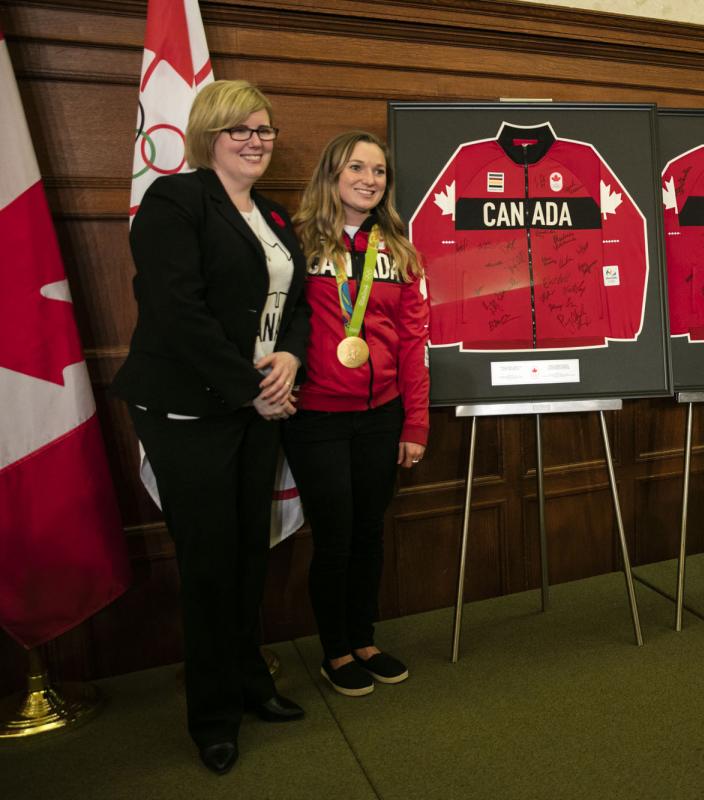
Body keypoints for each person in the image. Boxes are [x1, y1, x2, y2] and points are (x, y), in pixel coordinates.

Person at [113, 79, 310, 774]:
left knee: (249, 556)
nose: (256, 141)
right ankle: (213, 715)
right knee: (208, 564)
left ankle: (253, 683)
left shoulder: (275, 218)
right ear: (208, 137)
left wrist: (289, 354)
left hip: (258, 405)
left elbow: (297, 305)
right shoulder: (175, 202)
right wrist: (249, 388)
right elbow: (177, 310)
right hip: (192, 410)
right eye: (240, 131)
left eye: (265, 130)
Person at [285, 132, 430, 697]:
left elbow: (415, 342)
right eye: (357, 168)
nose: (370, 179)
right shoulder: (296, 243)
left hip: (381, 415)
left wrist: (415, 423)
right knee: (336, 536)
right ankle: (335, 650)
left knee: (370, 532)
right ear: (332, 174)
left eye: (379, 171)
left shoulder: (399, 251)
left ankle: (364, 639)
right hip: (316, 416)